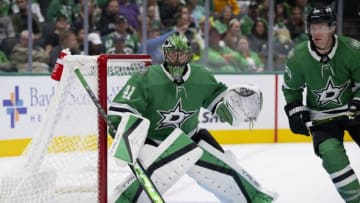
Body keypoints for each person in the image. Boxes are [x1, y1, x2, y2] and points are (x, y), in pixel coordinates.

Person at [108, 32, 277, 203]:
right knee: (156, 177)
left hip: (191, 137)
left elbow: (220, 104)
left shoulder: (201, 76)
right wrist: (125, 135)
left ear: (189, 55)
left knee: (226, 169)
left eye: (182, 54)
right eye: (173, 54)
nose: (177, 59)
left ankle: (252, 198)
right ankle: (126, 199)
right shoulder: (145, 77)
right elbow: (121, 111)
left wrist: (235, 110)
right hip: (153, 141)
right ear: (165, 55)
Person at [282, 6, 360, 203]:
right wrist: (295, 109)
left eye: (322, 27)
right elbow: (291, 89)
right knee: (332, 157)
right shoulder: (297, 57)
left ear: (332, 28)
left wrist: (358, 100)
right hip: (322, 117)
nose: (316, 32)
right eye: (313, 27)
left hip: (354, 112)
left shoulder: (352, 49)